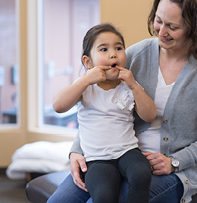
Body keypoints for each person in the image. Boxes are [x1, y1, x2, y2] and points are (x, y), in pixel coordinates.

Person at [47, 0, 197, 203]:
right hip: (108, 156)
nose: (161, 31)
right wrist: (77, 150)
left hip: (170, 171)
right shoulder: (135, 55)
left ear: (194, 26)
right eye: (159, 20)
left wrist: (175, 161)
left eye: (173, 26)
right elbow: (99, 104)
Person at [52, 23, 155, 203]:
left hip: (128, 152)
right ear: (87, 61)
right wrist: (84, 80)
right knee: (103, 196)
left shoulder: (129, 86)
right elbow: (58, 106)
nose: (113, 53)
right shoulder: (84, 87)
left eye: (118, 48)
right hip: (97, 160)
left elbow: (149, 115)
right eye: (104, 49)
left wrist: (134, 86)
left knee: (142, 174)